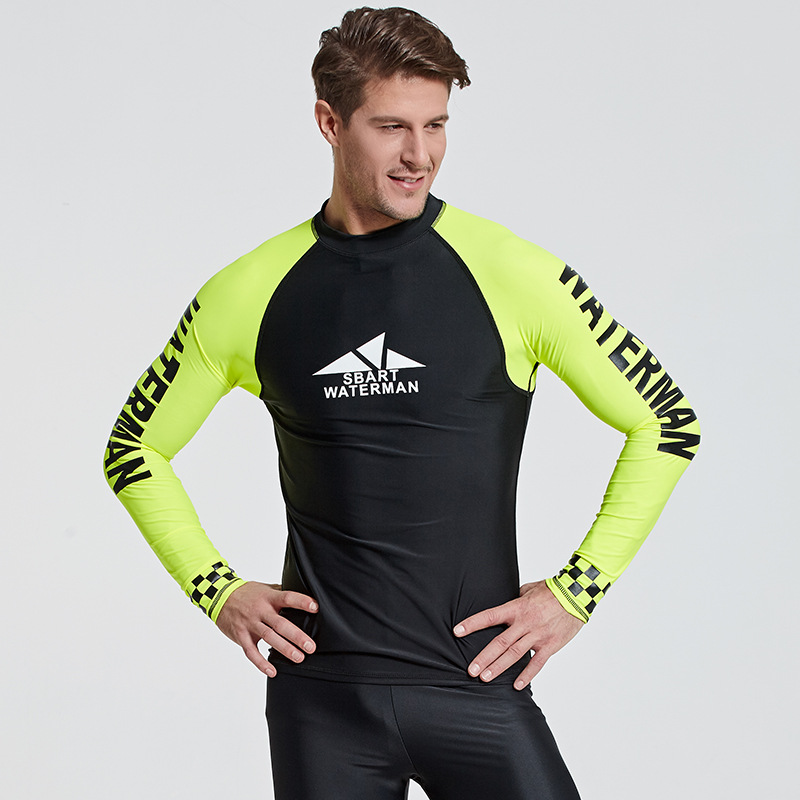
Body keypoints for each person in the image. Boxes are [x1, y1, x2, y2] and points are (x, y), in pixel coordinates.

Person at [103, 7, 700, 799]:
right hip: (323, 704)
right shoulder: (249, 292)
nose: (420, 155)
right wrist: (215, 588)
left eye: (436, 125)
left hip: (475, 686)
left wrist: (575, 592)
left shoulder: (510, 273)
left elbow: (666, 421)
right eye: (391, 127)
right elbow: (133, 448)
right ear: (330, 122)